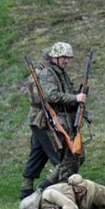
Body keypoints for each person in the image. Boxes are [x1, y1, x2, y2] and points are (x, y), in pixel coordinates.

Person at [39, 41, 87, 188]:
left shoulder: (61, 73)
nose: (67, 61)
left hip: (68, 120)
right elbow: (51, 96)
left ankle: (52, 186)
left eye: (68, 58)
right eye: (64, 57)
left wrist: (78, 95)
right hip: (59, 122)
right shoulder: (48, 73)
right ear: (56, 57)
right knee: (69, 159)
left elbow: (66, 93)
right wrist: (75, 98)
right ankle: (60, 190)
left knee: (77, 156)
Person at [19, 48, 61, 200]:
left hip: (43, 119)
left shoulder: (47, 75)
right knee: (58, 157)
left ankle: (26, 188)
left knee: (38, 152)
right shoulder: (37, 76)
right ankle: (44, 187)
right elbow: (40, 98)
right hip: (41, 120)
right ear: (45, 61)